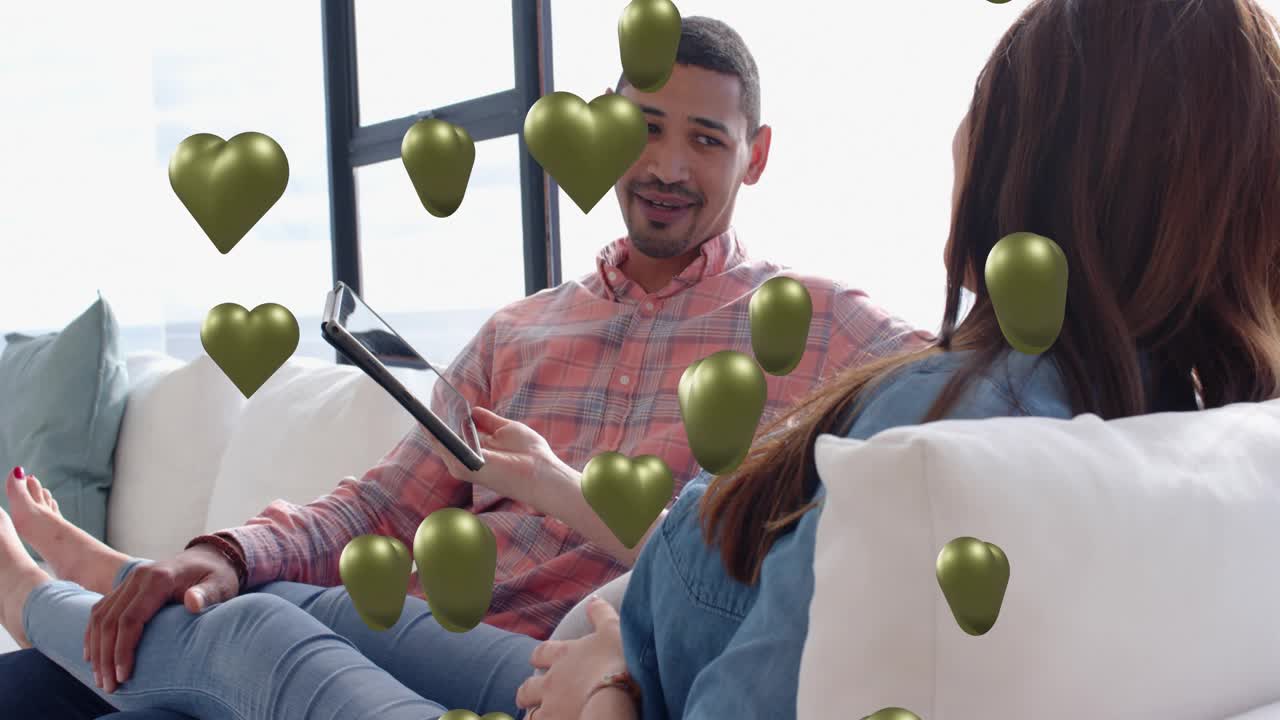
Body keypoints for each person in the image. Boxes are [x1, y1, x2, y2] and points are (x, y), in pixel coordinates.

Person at [8, 0, 1280, 717]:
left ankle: (47, 594)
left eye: (707, 142)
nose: (669, 166)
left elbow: (869, 492)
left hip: (584, 673)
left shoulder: (851, 344)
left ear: (755, 156)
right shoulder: (517, 331)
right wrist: (222, 548)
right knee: (260, 606)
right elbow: (378, 507)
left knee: (226, 657)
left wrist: (605, 623)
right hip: (549, 648)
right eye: (646, 129)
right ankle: (133, 581)